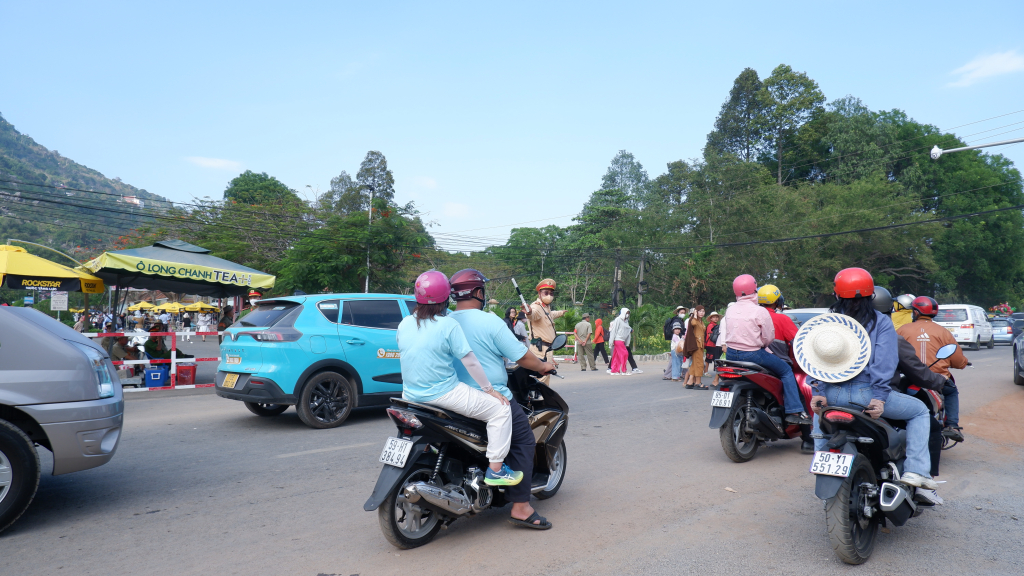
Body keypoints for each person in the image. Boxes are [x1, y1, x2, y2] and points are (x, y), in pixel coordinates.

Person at [803, 268, 937, 490]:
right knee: (920, 411)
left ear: (836, 295)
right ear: (871, 294)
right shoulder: (880, 322)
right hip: (865, 396)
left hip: (831, 395)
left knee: (819, 418)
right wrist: (880, 397)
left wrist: (817, 392)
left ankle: (821, 460)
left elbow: (814, 361)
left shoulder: (826, 323)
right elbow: (884, 364)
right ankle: (916, 471)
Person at [447, 269, 556, 528]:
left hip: (449, 395)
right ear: (477, 292)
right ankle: (520, 506)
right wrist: (542, 366)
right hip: (486, 395)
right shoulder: (490, 321)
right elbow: (521, 356)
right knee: (524, 440)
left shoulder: (446, 320)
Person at [397, 270, 524, 487]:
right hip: (443, 393)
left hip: (410, 395)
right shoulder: (447, 325)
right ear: (446, 298)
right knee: (500, 409)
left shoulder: (405, 323)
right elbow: (471, 362)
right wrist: (489, 390)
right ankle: (495, 470)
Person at [874, 286, 949, 476]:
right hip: (877, 397)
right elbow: (916, 370)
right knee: (923, 416)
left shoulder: (843, 333)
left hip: (837, 397)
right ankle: (920, 476)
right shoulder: (891, 336)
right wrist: (939, 381)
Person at [723, 275, 809, 424]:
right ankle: (793, 411)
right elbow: (768, 338)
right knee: (786, 371)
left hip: (730, 354)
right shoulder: (759, 311)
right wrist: (761, 344)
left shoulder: (730, 310)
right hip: (753, 355)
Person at [896, 296, 969, 443]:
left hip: (909, 377)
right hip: (937, 379)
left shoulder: (902, 330)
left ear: (915, 312)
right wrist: (963, 363)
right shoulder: (943, 332)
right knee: (951, 391)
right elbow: (957, 359)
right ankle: (952, 425)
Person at [523, 279, 566, 385]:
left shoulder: (545, 307)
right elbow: (533, 314)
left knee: (544, 379)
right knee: (540, 380)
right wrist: (529, 312)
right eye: (546, 293)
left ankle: (540, 399)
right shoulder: (536, 306)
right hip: (540, 349)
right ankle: (539, 401)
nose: (549, 295)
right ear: (539, 293)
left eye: (551, 293)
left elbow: (551, 315)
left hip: (546, 348)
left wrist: (561, 313)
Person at [683, 306, 708, 389]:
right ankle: (698, 382)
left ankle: (690, 382)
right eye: (700, 311)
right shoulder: (694, 320)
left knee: (694, 363)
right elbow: (693, 324)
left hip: (701, 344)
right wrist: (695, 315)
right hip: (696, 345)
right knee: (699, 363)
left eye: (703, 311)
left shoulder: (701, 321)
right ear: (696, 312)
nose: (702, 312)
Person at [663, 306, 688, 380]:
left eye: (684, 312)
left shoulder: (680, 320)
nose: (683, 314)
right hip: (676, 346)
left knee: (675, 361)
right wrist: (682, 338)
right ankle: (673, 375)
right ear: (677, 313)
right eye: (681, 312)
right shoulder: (677, 320)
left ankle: (670, 375)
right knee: (676, 362)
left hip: (677, 345)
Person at [608, 308, 632, 375]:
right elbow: (614, 330)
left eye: (628, 313)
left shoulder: (626, 321)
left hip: (622, 340)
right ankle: (624, 370)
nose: (627, 314)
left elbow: (627, 331)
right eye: (626, 313)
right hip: (618, 339)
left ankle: (614, 370)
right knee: (625, 354)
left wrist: (627, 342)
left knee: (617, 356)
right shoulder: (618, 319)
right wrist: (611, 342)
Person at [705, 311, 723, 387]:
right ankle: (706, 371)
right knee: (709, 358)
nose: (715, 318)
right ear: (711, 318)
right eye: (714, 317)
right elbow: (709, 335)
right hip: (710, 344)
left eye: (716, 317)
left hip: (714, 344)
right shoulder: (710, 325)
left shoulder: (716, 325)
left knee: (713, 357)